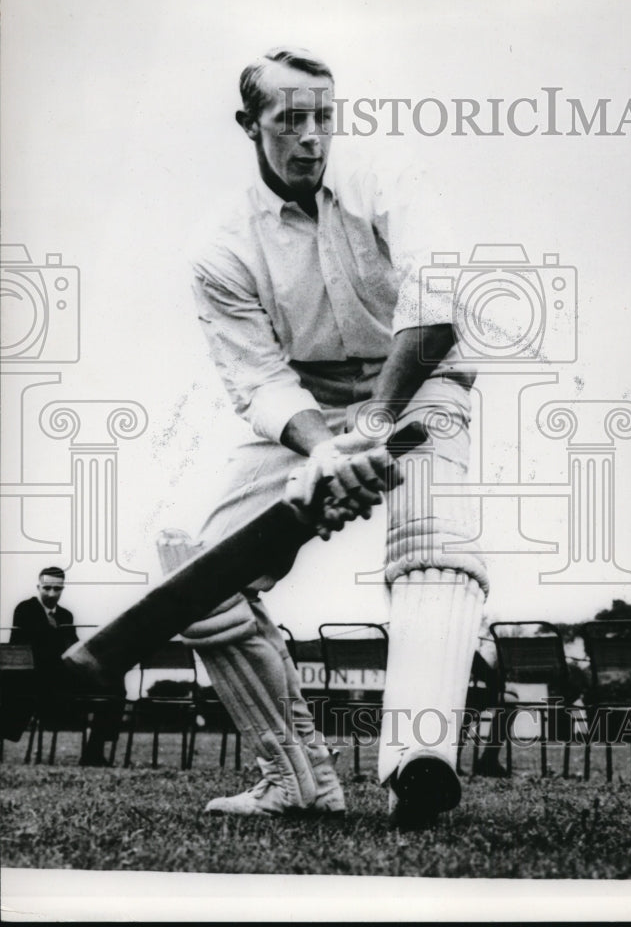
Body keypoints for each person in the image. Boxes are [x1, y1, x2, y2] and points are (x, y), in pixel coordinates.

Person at [182, 47, 488, 828]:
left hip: (422, 383)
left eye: (324, 116)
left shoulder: (389, 179)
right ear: (250, 126)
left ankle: (418, 759)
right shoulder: (223, 245)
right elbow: (257, 380)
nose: (313, 136)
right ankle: (296, 778)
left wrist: (378, 423)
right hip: (310, 406)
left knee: (433, 542)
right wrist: (324, 448)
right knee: (194, 557)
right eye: (291, 120)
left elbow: (439, 294)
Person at [11, 567, 123, 766]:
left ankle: (93, 752)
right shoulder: (25, 609)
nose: (52, 594)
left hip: (63, 678)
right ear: (38, 587)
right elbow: (28, 649)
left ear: (63, 588)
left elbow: (74, 646)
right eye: (47, 588)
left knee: (113, 686)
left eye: (57, 589)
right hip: (35, 680)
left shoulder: (65, 616)